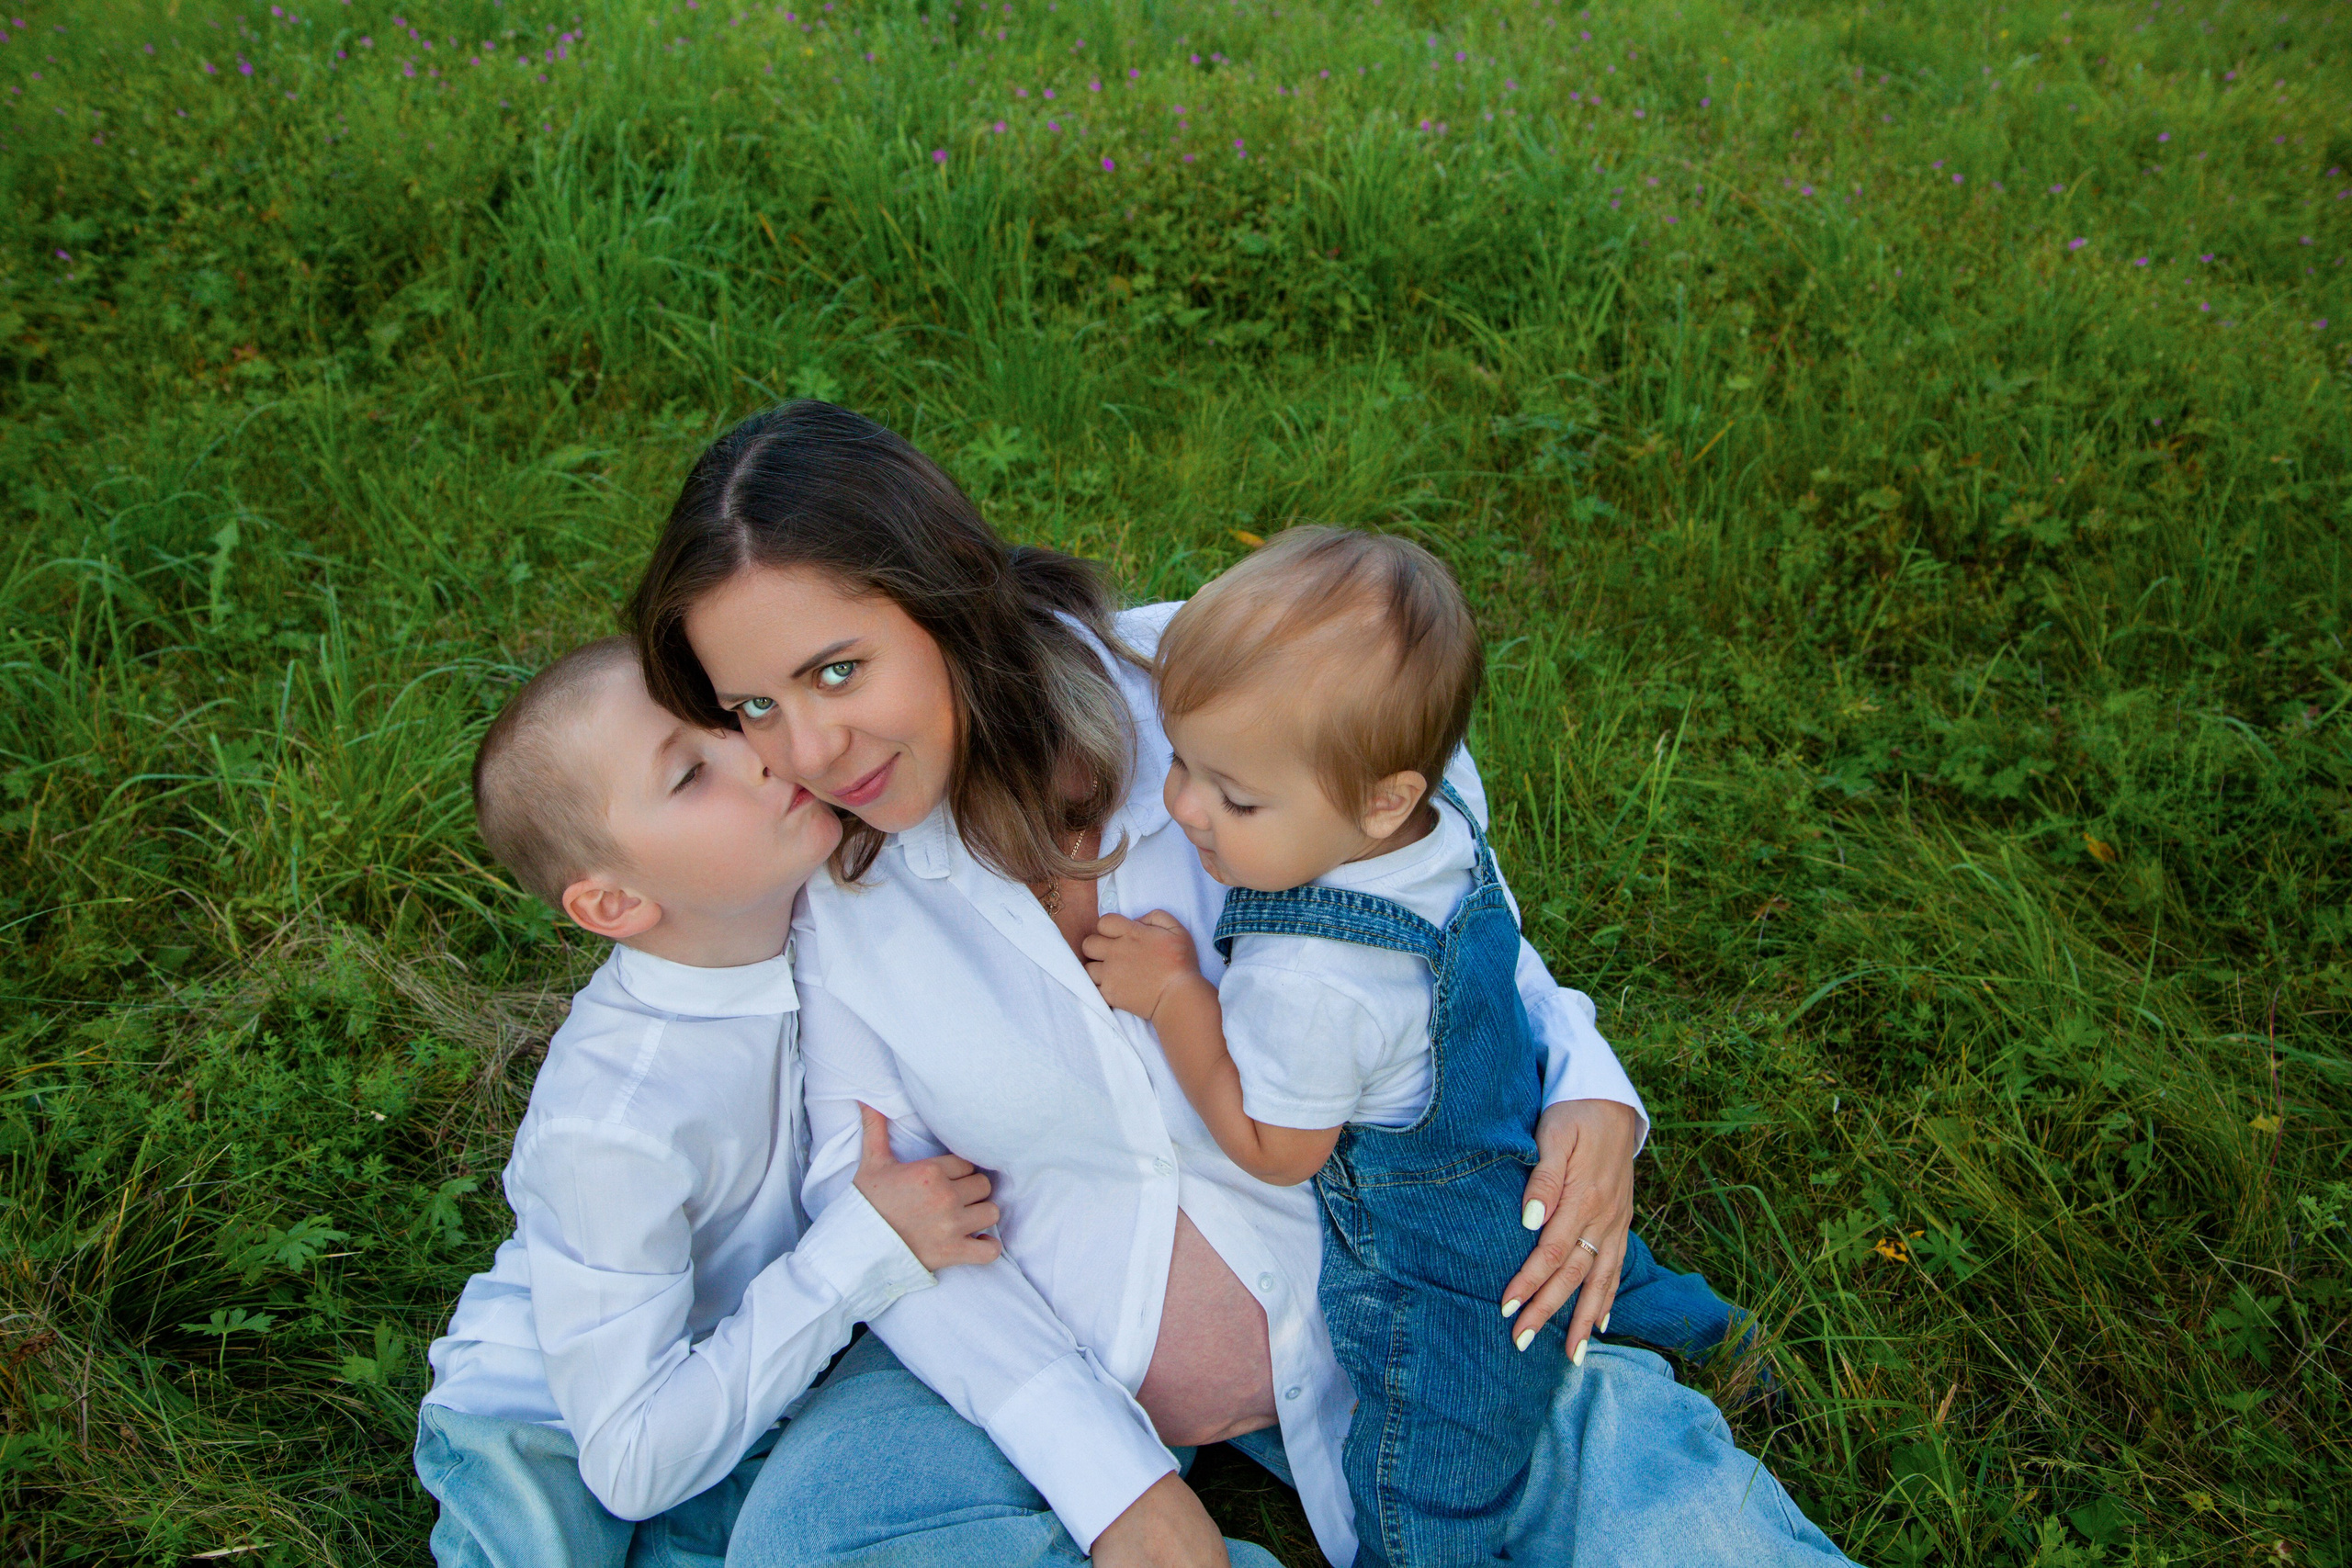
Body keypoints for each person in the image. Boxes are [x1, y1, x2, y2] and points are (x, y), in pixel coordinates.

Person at [629, 400, 1850, 1568]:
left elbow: (1423, 848)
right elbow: (870, 1173)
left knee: (1685, 1534)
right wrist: (1121, 1487)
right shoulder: (832, 885)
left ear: (945, 593)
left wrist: (1585, 1078)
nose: (808, 751)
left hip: (1395, 1299)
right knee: (815, 1534)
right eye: (754, 706)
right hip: (1059, 1332)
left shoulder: (1206, 688)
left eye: (838, 671)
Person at [1083, 527, 1749, 1567]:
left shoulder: (1305, 976)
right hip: (1511, 1154)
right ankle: (1702, 1325)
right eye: (1181, 765)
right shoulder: (1430, 836)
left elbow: (1276, 1146)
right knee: (1577, 1262)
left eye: (1232, 796)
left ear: (1382, 795)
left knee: (1424, 1489)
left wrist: (1174, 997)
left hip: (1434, 1281)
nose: (1181, 809)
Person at [414, 637, 1003, 1568]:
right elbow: (631, 1462)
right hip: (553, 1433)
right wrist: (860, 1252)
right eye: (691, 775)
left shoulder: (823, 918)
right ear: (615, 905)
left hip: (747, 1380)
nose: (762, 755)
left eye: (728, 724)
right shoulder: (615, 1121)